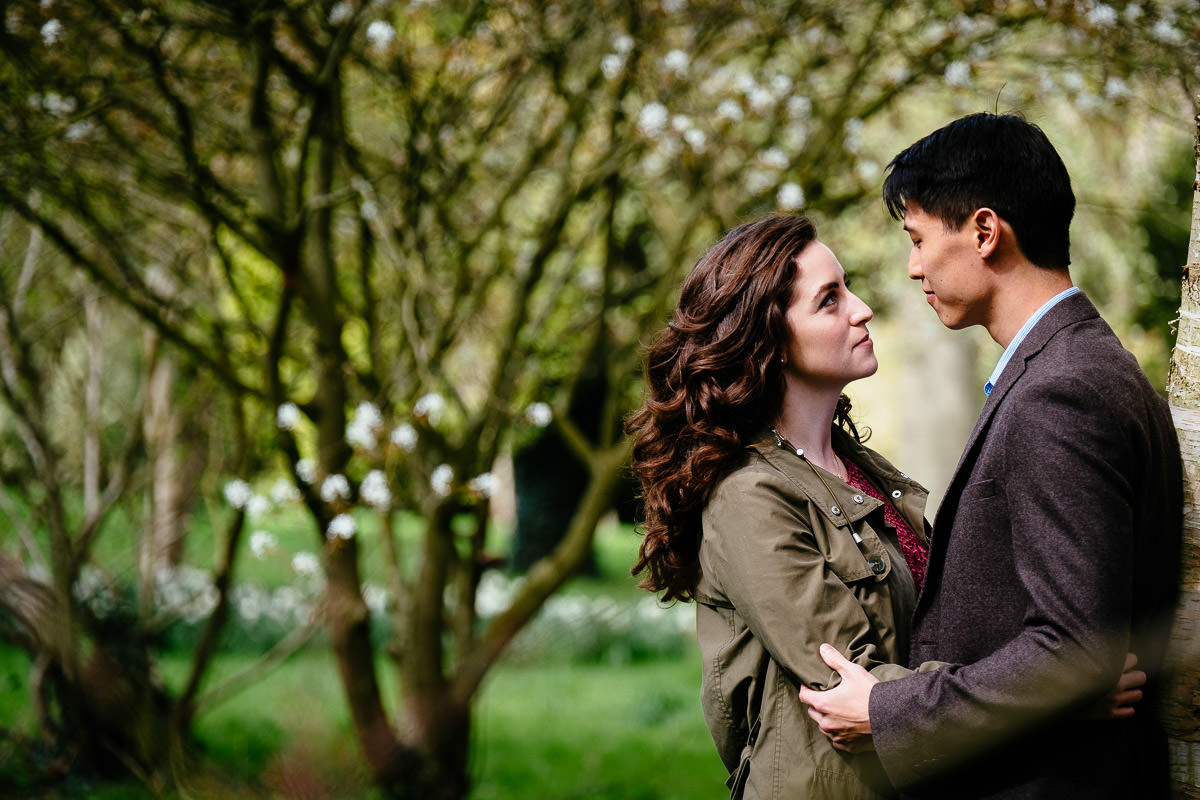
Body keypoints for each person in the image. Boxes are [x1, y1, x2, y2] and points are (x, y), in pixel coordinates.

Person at [798, 112, 1183, 799]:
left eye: (917, 239)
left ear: (984, 231)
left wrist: (887, 710)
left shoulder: (1059, 394)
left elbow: (1074, 650)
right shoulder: (1086, 365)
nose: (913, 267)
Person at [627, 213, 943, 799]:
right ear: (768, 340)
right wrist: (1043, 696)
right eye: (829, 300)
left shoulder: (859, 469)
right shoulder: (747, 497)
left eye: (846, 286)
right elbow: (860, 689)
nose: (861, 308)